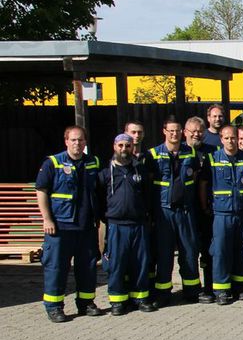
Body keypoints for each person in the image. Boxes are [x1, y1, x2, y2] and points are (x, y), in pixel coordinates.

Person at [35, 126, 101, 322]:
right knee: (56, 268)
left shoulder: (93, 162)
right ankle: (54, 307)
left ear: (85, 142)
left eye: (80, 140)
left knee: (87, 268)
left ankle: (86, 303)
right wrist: (47, 219)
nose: (77, 143)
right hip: (60, 227)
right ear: (66, 141)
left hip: (86, 227)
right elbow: (41, 190)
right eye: (73, 140)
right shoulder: (53, 163)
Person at [147, 117, 203, 304]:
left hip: (185, 211)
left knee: (189, 252)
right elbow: (149, 183)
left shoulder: (191, 153)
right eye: (171, 130)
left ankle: (192, 291)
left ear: (182, 133)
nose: (174, 134)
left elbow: (195, 179)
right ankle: (163, 293)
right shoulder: (153, 154)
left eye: (177, 131)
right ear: (164, 131)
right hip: (164, 212)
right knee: (164, 253)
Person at [199, 124, 243, 304]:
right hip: (222, 213)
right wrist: (205, 207)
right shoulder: (212, 158)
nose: (231, 141)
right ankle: (222, 290)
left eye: (233, 137)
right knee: (221, 251)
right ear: (221, 139)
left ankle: (241, 286)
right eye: (227, 138)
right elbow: (203, 184)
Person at [97, 133, 154, 316]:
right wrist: (104, 218)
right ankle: (117, 300)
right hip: (116, 225)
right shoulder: (106, 172)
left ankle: (140, 298)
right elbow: (99, 198)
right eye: (120, 145)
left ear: (132, 148)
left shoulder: (139, 170)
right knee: (117, 264)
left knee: (140, 262)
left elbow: (148, 195)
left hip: (138, 224)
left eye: (127, 146)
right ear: (115, 146)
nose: (124, 149)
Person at [185, 116, 217, 300]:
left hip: (206, 210)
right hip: (185, 209)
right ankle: (190, 290)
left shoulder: (212, 152)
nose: (196, 134)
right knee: (188, 251)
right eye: (193, 131)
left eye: (200, 131)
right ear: (185, 132)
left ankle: (209, 286)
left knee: (208, 250)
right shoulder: (180, 151)